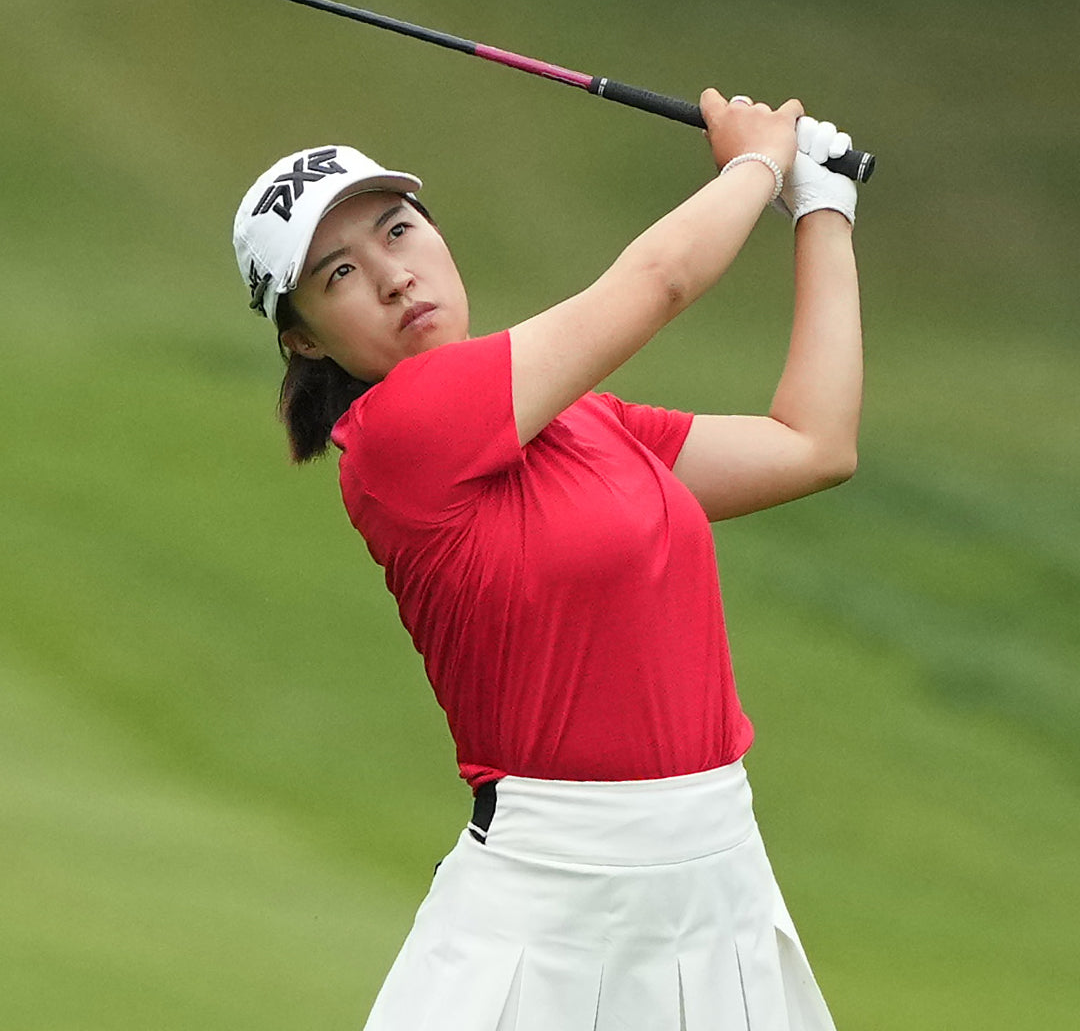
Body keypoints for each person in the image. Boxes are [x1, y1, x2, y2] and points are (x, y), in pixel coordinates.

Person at [232, 88, 862, 1030]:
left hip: (719, 874)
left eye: (399, 232)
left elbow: (813, 443)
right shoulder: (399, 433)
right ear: (302, 339)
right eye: (339, 275)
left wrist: (824, 210)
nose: (394, 277)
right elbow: (659, 283)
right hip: (554, 908)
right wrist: (757, 163)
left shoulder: (589, 425)